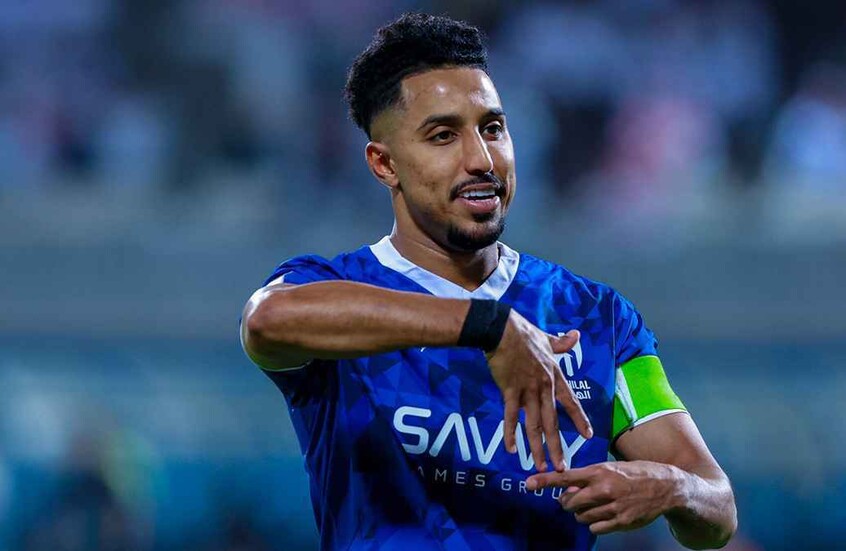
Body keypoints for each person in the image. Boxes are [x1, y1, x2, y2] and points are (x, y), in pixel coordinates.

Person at [240, 13, 736, 551]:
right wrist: (488, 325)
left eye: (493, 128)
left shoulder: (597, 318)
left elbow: (717, 506)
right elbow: (268, 319)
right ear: (385, 164)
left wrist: (670, 487)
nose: (481, 159)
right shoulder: (336, 285)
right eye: (443, 136)